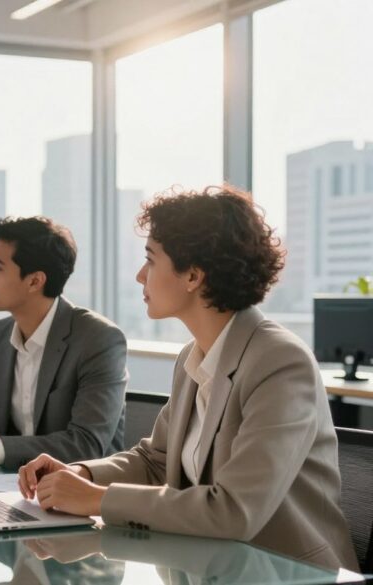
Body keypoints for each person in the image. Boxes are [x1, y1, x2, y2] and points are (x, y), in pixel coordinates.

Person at [18, 186, 359, 571]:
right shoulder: (193, 358)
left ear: (193, 275)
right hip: (209, 567)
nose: (139, 275)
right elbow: (155, 461)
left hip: (286, 573)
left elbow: (235, 511)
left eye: (150, 260)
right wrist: (80, 473)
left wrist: (96, 499)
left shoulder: (280, 362)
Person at [0, 216, 128, 469]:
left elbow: (86, 443)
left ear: (35, 281)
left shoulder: (98, 339)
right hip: (9, 488)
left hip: (78, 494)